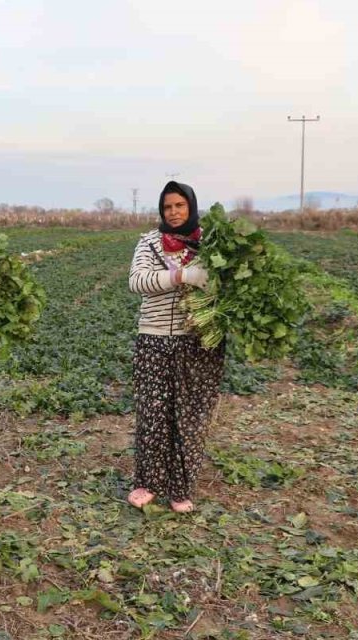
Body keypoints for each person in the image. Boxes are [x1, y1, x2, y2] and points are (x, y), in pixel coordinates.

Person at [126, 181, 222, 514]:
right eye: (168, 207)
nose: (174, 212)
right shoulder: (151, 242)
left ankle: (180, 488)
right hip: (154, 339)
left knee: (190, 416)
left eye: (180, 206)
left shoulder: (210, 243)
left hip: (198, 342)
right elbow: (137, 280)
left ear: (191, 207)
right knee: (153, 413)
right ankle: (147, 482)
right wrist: (181, 276)